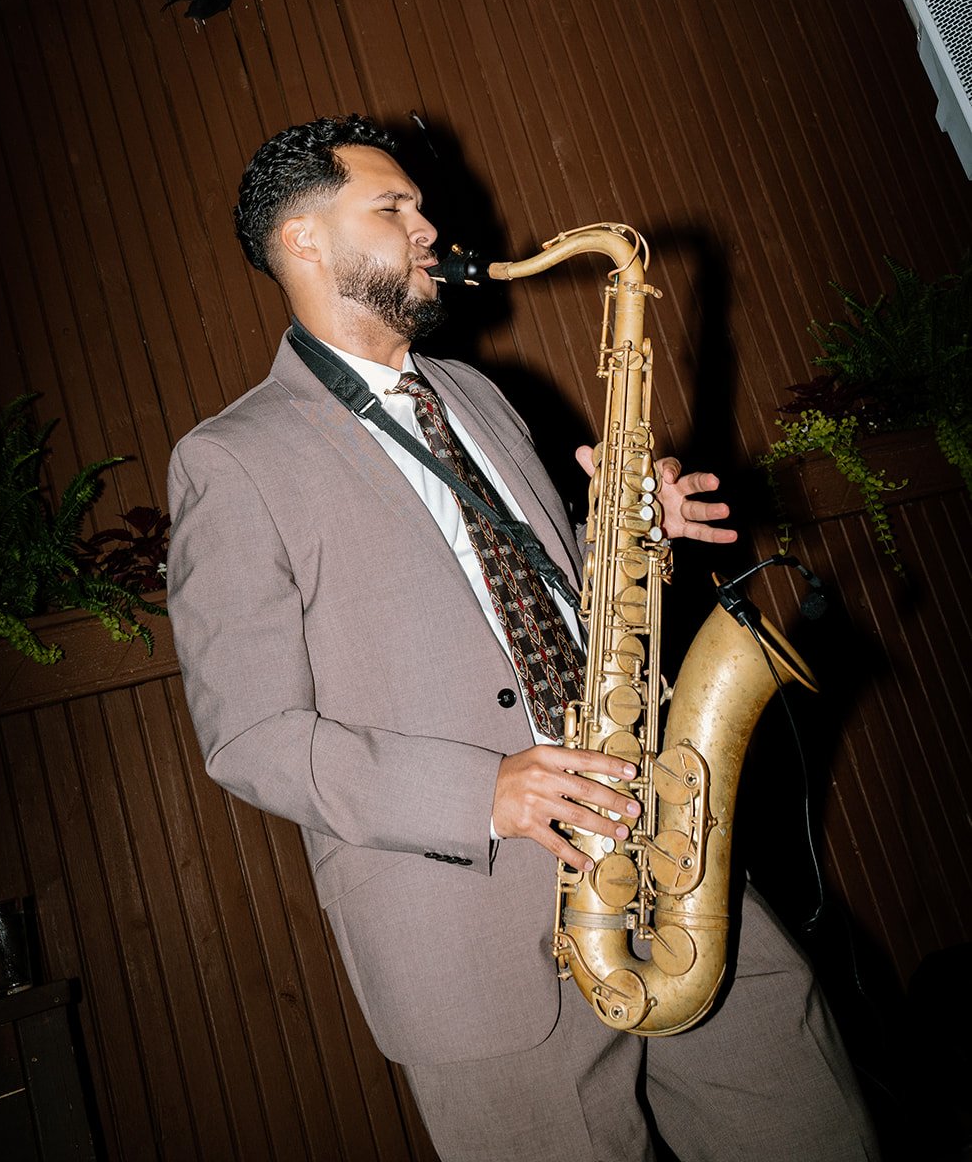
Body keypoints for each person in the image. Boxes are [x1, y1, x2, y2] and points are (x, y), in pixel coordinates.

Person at [168, 114, 879, 1162]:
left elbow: (525, 598)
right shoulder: (231, 459)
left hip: (659, 854)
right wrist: (481, 791)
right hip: (465, 936)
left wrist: (628, 531)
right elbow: (251, 737)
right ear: (304, 241)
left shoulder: (479, 394)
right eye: (393, 207)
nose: (427, 226)